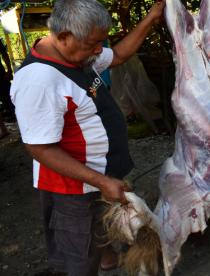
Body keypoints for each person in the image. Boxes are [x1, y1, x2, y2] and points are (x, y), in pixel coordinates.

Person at [9, 0, 165, 275]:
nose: (98, 50)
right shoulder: (39, 80)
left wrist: (151, 18)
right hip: (72, 189)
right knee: (79, 256)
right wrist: (102, 181)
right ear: (64, 36)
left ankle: (105, 258)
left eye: (99, 43)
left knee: (100, 229)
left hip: (97, 176)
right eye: (94, 44)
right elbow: (40, 149)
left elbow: (117, 55)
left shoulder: (79, 54)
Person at [0, 38, 14, 123]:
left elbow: (4, 54)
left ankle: (13, 113)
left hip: (1, 75)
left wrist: (9, 70)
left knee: (8, 96)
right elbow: (4, 54)